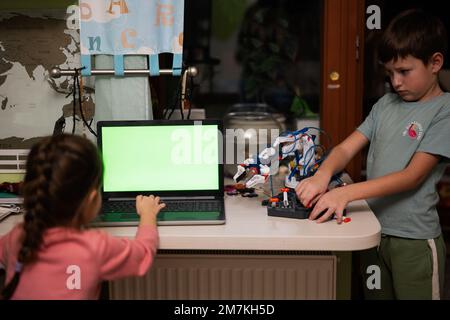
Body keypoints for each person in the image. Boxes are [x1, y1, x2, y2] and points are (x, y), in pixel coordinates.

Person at [295, 9, 450, 299]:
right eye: (390, 73)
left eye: (404, 71)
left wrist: (345, 194)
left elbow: (412, 177)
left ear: (435, 63)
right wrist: (321, 176)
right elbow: (344, 148)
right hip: (372, 232)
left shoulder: (445, 111)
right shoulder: (385, 105)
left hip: (413, 241)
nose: (396, 82)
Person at [0, 134, 165, 299]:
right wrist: (148, 214)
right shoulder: (95, 247)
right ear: (92, 199)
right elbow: (143, 255)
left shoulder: (16, 238)